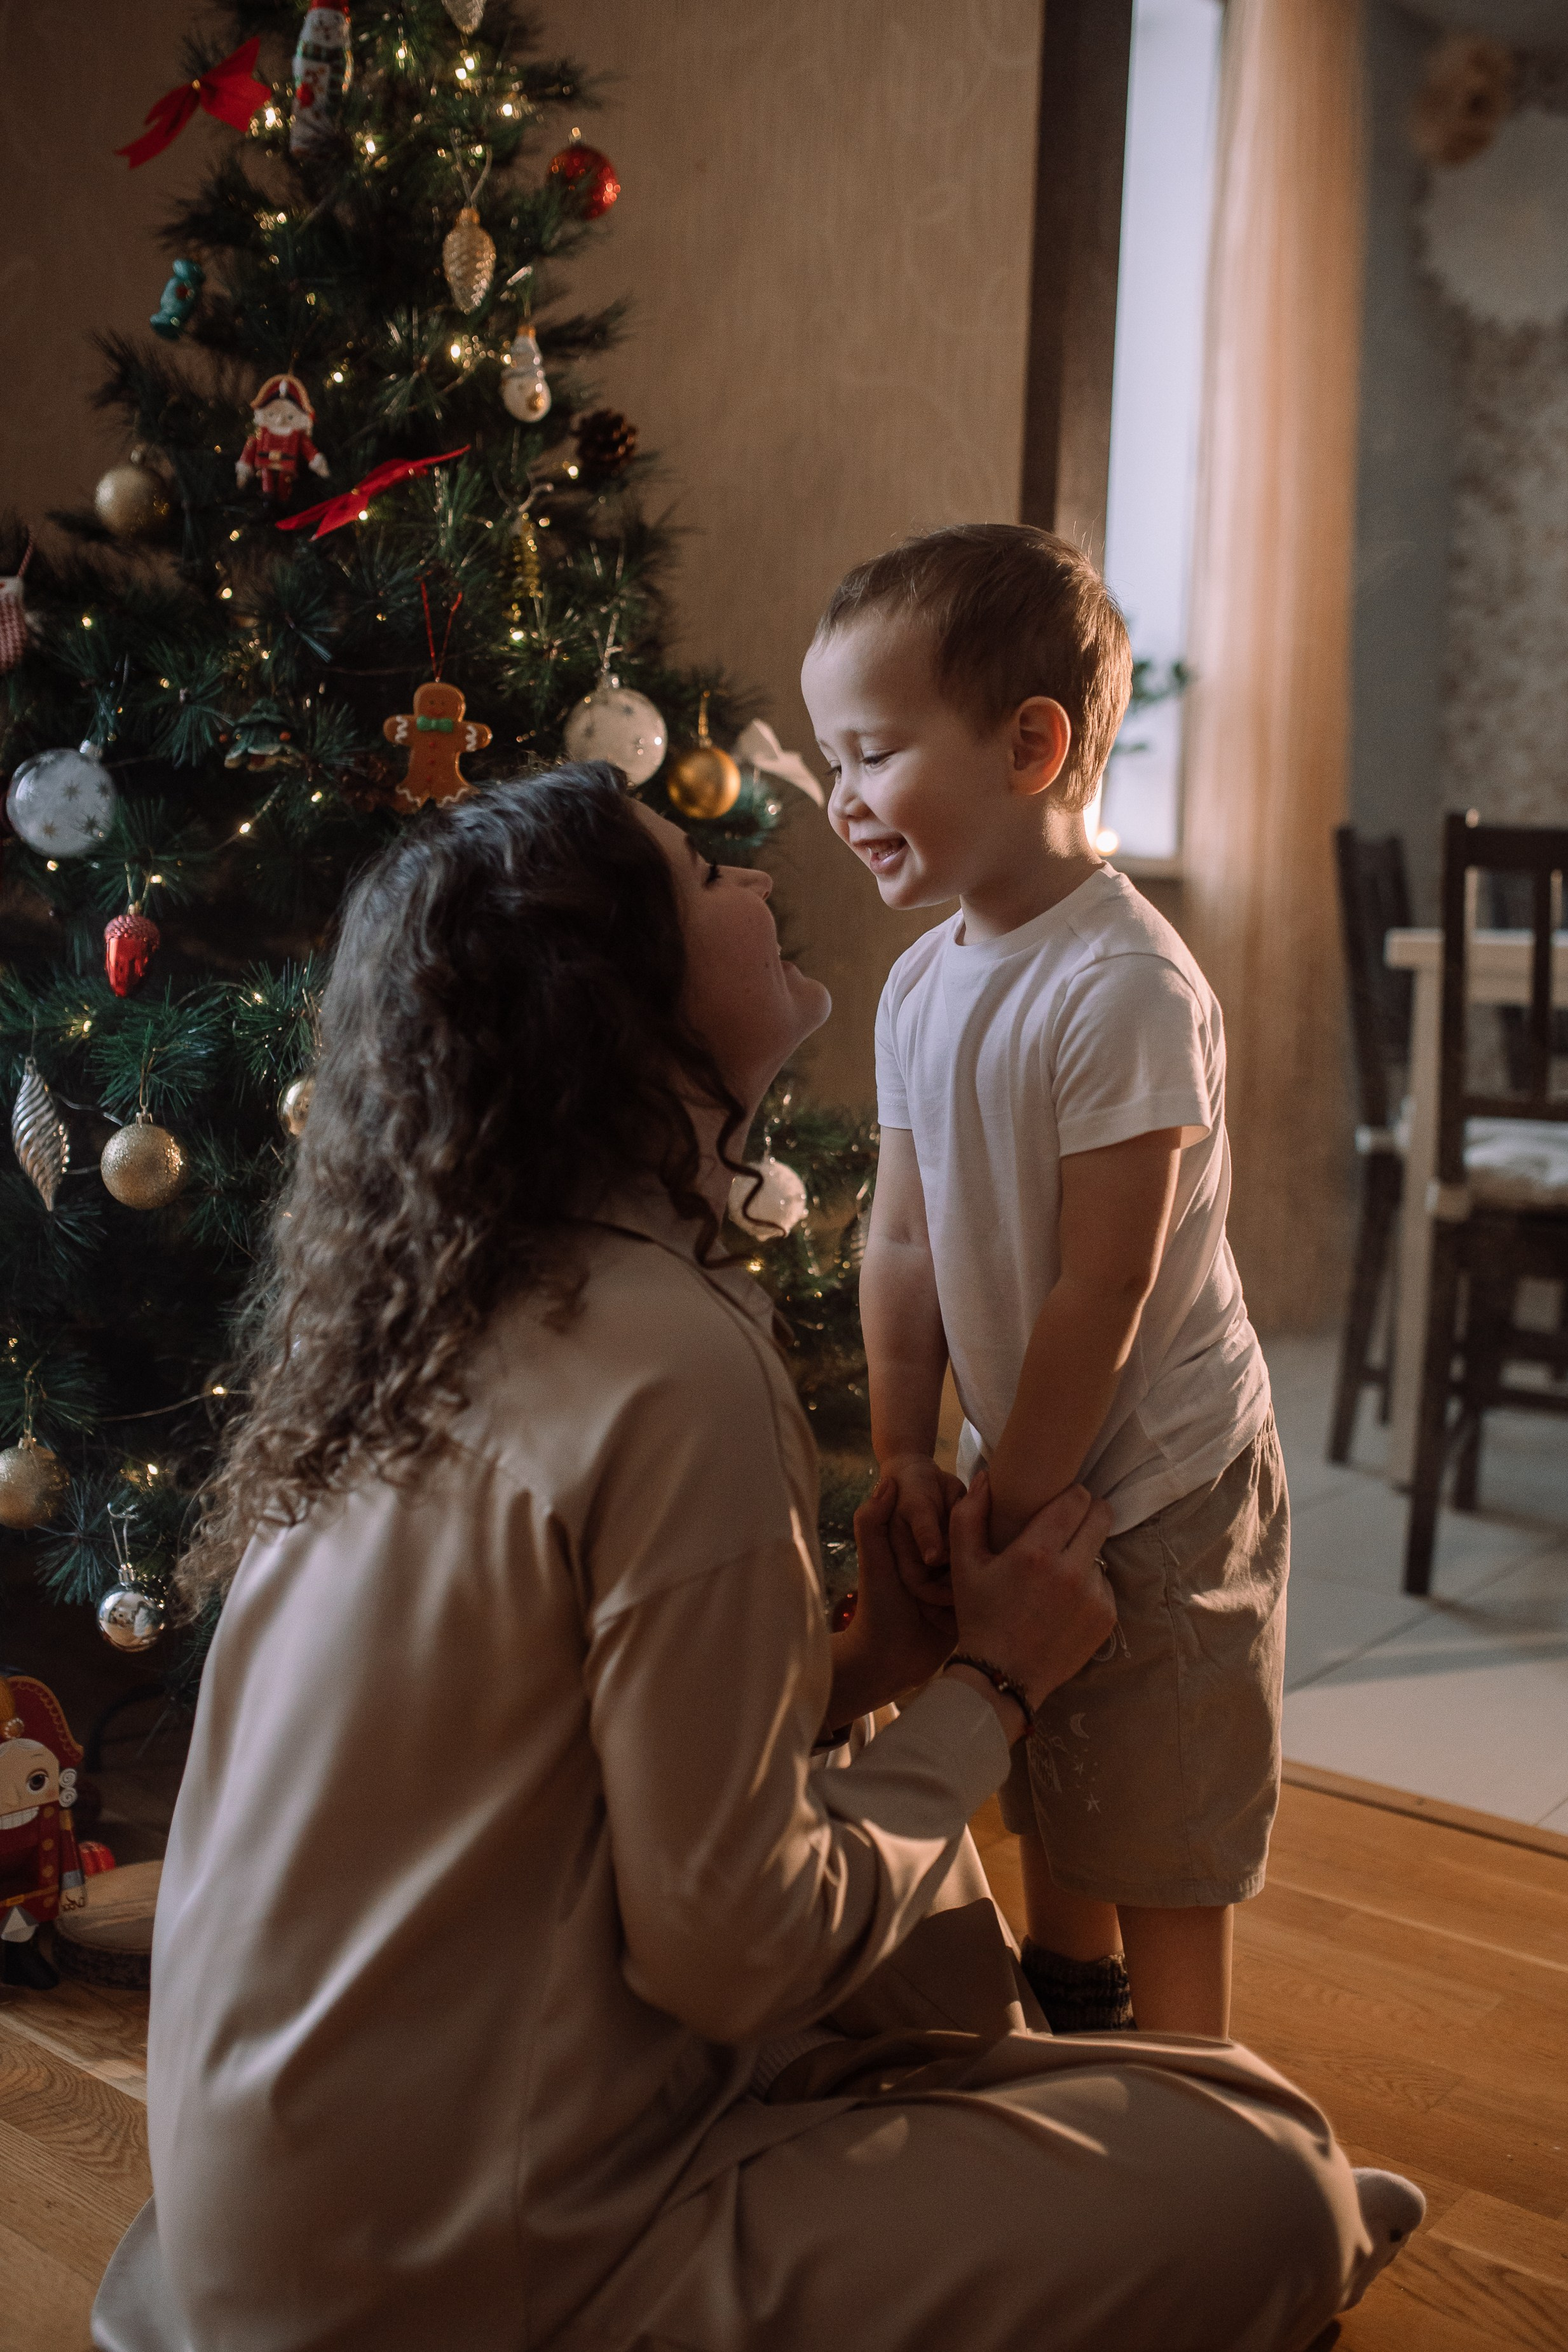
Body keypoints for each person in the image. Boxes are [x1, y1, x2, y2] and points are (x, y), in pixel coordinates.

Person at [93, 767, 1416, 2352]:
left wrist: (874, 1669)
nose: (750, 872)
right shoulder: (668, 1357)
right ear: (624, 1007)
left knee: (997, 2003)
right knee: (1255, 2166)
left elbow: (549, 1774)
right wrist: (994, 1685)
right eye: (696, 870)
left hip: (297, 2222)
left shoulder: (451, 1305)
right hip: (475, 2266)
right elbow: (732, 1949)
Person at [802, 524, 1285, 2041]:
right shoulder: (920, 982)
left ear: (1030, 744)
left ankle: (1198, 2100)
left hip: (1157, 1473)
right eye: (833, 757)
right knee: (1046, 1759)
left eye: (873, 752)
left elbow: (1103, 1286)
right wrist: (903, 1451)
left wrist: (1011, 1495)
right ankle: (1074, 2014)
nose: (839, 797)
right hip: (1017, 1452)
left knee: (1160, 1792)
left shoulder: (1120, 985)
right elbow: (898, 1239)